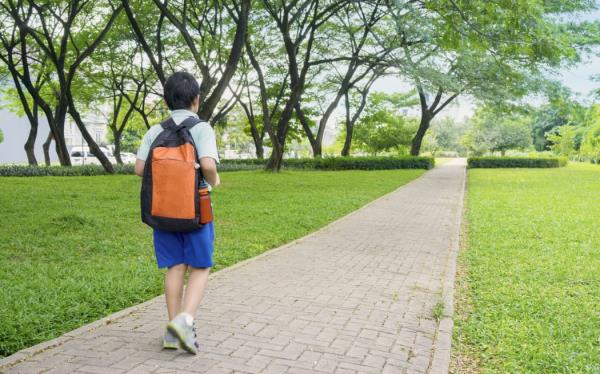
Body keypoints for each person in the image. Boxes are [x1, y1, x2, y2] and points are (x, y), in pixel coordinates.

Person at [134, 71, 220, 354]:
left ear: (167, 101)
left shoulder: (155, 131)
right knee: (200, 266)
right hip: (196, 210)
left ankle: (172, 329)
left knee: (175, 266)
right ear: (196, 100)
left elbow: (139, 169)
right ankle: (185, 324)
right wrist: (215, 180)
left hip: (163, 210)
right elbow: (207, 164)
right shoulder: (202, 128)